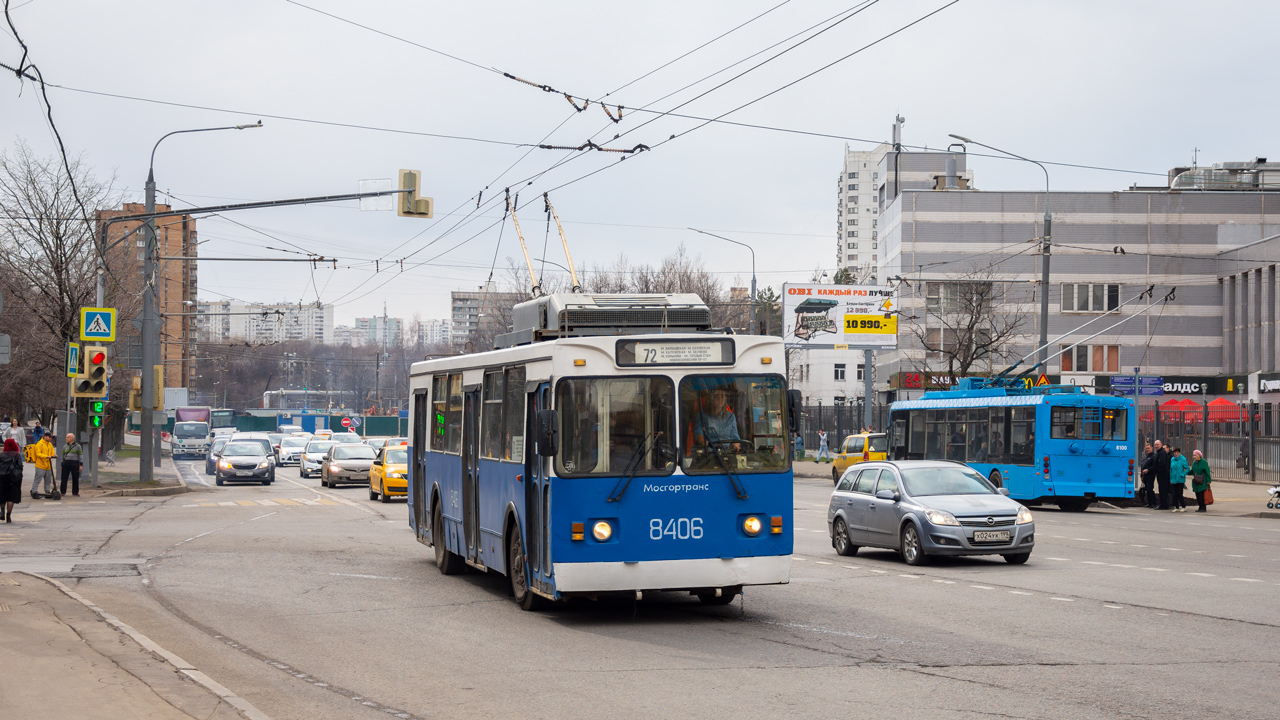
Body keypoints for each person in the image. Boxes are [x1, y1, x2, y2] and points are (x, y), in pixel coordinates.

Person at [0, 438, 21, 522]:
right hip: (12, 478)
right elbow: (20, 466)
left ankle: (2, 511)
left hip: (1, 477)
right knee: (11, 497)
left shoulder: (1, 455)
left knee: (2, 494)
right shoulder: (16, 455)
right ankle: (8, 515)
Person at [31, 433, 56, 499]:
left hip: (48, 465)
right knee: (37, 479)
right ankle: (34, 491)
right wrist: (46, 456)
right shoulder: (39, 444)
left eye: (51, 437)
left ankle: (47, 491)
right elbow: (38, 453)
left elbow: (52, 452)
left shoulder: (50, 444)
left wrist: (53, 455)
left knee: (48, 480)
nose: (50, 438)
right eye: (49, 437)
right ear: (45, 436)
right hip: (40, 465)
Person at [60, 433, 83, 497]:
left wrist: (81, 465)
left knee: (75, 478)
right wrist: (62, 464)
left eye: (68, 437)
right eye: (66, 437)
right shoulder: (65, 446)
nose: (66, 439)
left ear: (72, 439)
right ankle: (62, 491)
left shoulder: (78, 446)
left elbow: (80, 456)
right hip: (66, 463)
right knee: (64, 478)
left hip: (75, 463)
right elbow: (62, 455)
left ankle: (75, 492)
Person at [1168, 447, 1189, 512]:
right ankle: (1176, 507)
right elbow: (1171, 470)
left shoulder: (1183, 459)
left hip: (1180, 479)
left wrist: (1182, 474)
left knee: (1180, 494)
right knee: (1174, 494)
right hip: (1174, 479)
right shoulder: (1172, 459)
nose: (1176, 454)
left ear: (1179, 453)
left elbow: (1187, 468)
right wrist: (1171, 479)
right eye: (1175, 452)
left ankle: (1183, 506)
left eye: (1177, 452)